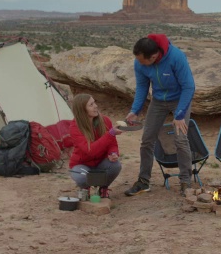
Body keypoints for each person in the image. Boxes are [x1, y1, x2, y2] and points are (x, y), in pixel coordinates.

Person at [124, 33, 195, 197]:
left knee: (180, 138)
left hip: (180, 100)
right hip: (158, 100)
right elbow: (142, 87)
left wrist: (179, 115)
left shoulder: (176, 57)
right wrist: (135, 111)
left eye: (143, 61)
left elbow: (189, 87)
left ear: (154, 56)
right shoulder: (140, 62)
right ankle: (143, 181)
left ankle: (186, 181)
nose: (140, 64)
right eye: (139, 60)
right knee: (147, 139)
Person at [68, 93, 122, 198]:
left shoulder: (105, 120)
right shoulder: (75, 127)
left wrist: (113, 153)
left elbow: (112, 144)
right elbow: (90, 151)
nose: (95, 106)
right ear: (82, 110)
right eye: (91, 104)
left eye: (94, 102)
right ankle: (85, 188)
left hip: (101, 163)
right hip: (82, 165)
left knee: (115, 165)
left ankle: (103, 187)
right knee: (80, 177)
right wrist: (110, 134)